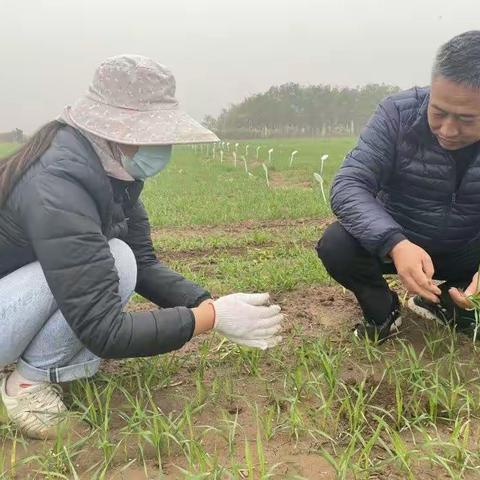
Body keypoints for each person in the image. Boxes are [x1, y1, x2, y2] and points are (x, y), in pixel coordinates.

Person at [0, 55, 283, 440]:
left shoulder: (112, 174)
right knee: (114, 259)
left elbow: (145, 265)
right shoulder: (58, 182)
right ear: (119, 131)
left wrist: (206, 302)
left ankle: (28, 359)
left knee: (125, 259)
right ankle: (27, 387)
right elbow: (104, 330)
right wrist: (211, 319)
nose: (163, 145)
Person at [317, 31, 480, 342]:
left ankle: (447, 302)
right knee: (337, 244)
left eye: (466, 119)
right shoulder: (398, 113)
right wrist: (395, 242)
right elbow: (349, 183)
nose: (448, 129)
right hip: (399, 244)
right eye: (439, 112)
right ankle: (382, 310)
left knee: (466, 303)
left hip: (465, 248)